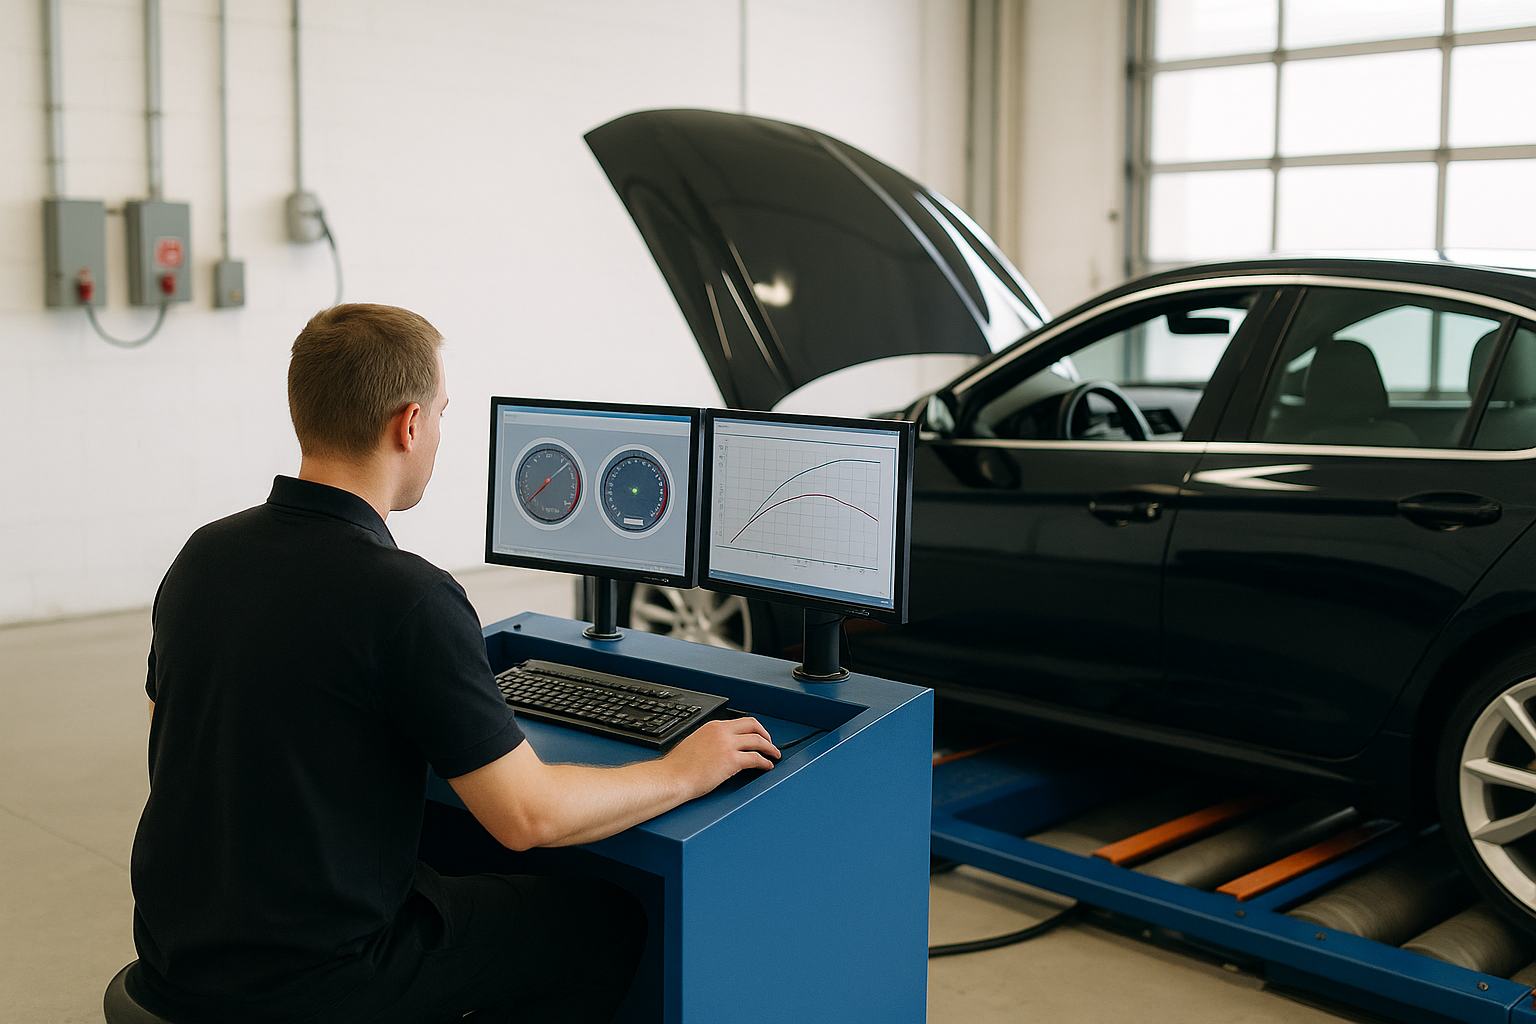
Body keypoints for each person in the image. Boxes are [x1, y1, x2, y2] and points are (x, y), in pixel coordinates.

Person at [130, 304, 779, 1024]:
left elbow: (173, 741)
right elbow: (527, 818)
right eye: (441, 412)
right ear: (409, 425)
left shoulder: (203, 555)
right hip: (320, 982)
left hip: (175, 961)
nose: (438, 431)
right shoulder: (408, 597)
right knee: (605, 923)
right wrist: (682, 769)